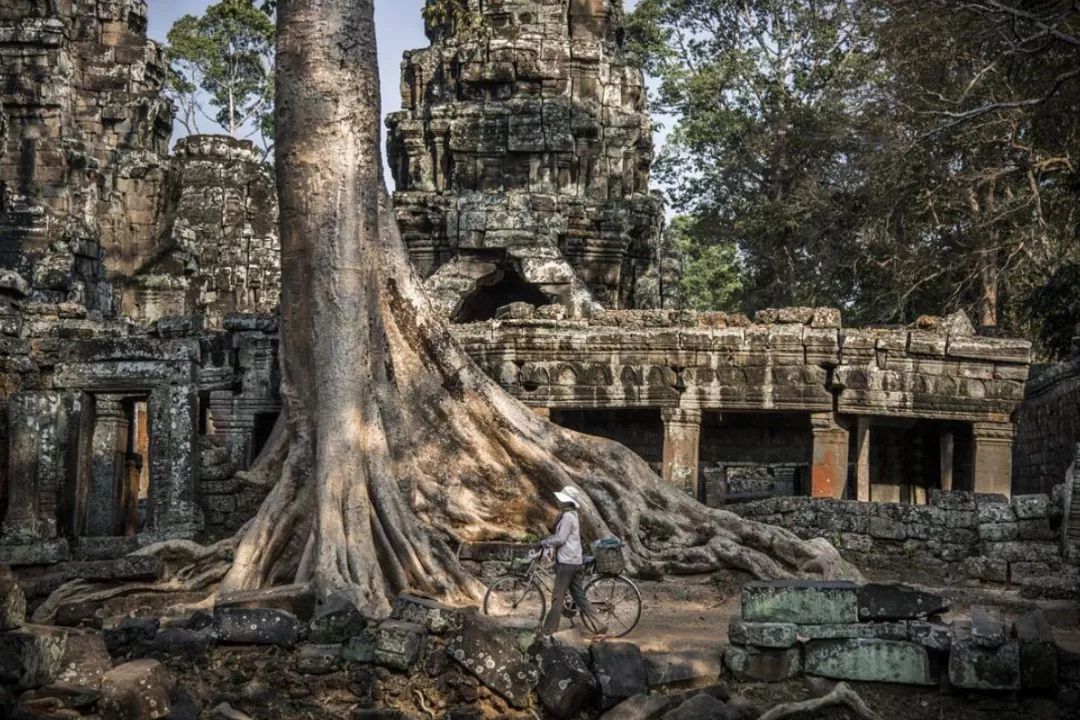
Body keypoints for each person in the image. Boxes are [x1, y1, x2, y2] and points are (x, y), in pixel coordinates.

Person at [539, 487, 607, 637]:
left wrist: (546, 541)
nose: (558, 502)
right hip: (575, 562)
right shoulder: (573, 515)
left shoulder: (567, 517)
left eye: (561, 499)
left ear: (567, 502)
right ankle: (600, 625)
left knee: (557, 597)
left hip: (567, 563)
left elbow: (560, 539)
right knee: (579, 596)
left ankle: (548, 631)